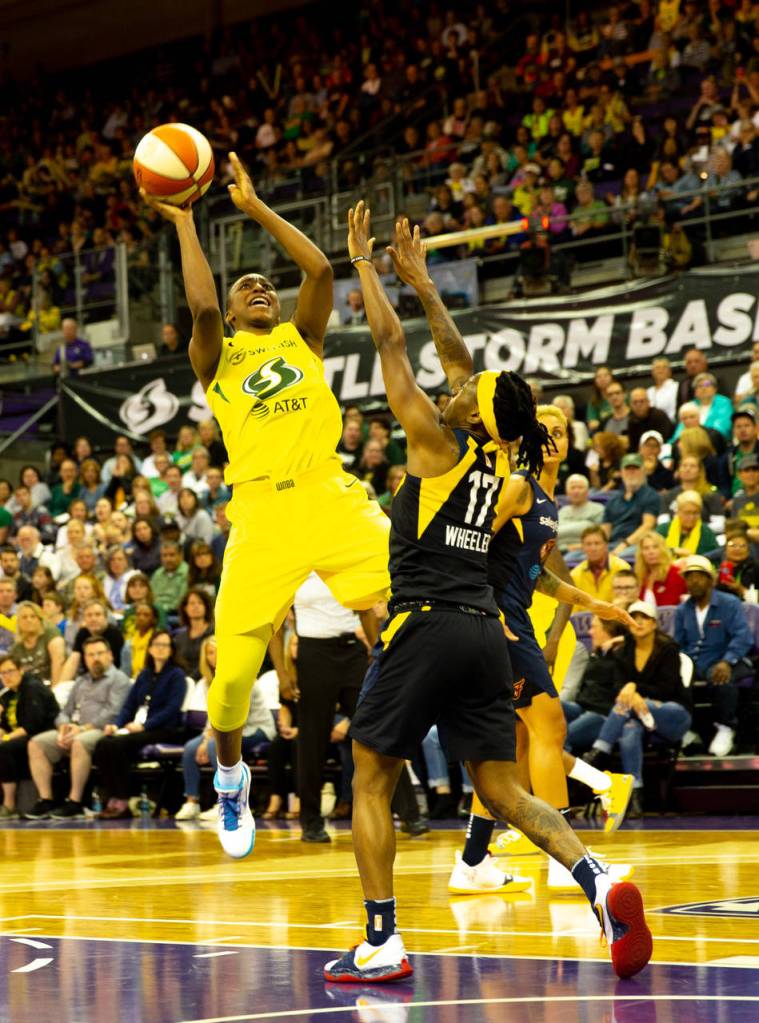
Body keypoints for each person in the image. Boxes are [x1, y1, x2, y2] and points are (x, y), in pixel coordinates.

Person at [324, 203, 651, 984]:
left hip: (427, 622)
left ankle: (381, 940)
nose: (458, 386)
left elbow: (392, 345)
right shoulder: (499, 464)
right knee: (500, 788)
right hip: (482, 633)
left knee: (369, 770)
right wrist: (426, 286)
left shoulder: (435, 442)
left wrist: (366, 267)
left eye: (468, 389)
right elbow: (456, 359)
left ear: (473, 409)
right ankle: (598, 881)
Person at [141, 153, 390, 859]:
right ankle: (228, 777)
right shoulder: (217, 357)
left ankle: (456, 738)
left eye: (262, 287)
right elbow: (197, 306)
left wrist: (253, 208)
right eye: (243, 286)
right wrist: (187, 221)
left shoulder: (300, 338)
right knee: (227, 689)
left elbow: (318, 271)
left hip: (332, 495)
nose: (257, 289)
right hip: (259, 516)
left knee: (424, 602)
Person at [587, 600, 691, 819]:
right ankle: (636, 796)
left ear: (654, 623)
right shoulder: (623, 651)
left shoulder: (668, 649)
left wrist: (635, 689)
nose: (639, 622)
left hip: (672, 715)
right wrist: (632, 694)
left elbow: (667, 689)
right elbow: (617, 687)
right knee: (630, 728)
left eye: (644, 617)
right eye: (634, 617)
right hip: (637, 716)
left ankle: (599, 751)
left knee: (624, 704)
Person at [290, 572, 368, 843]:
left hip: (352, 647)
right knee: (312, 738)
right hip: (313, 651)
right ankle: (310, 822)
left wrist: (377, 649)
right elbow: (275, 623)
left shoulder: (344, 555)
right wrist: (282, 673)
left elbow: (366, 606)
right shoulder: (295, 561)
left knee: (373, 727)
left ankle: (408, 812)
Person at [24, 637, 131, 820]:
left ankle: (75, 801)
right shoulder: (81, 681)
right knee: (36, 743)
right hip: (73, 729)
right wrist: (64, 727)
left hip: (100, 730)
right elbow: (64, 711)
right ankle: (46, 799)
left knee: (79, 743)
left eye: (99, 653)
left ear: (110, 656)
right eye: (90, 654)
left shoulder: (119, 680)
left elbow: (112, 713)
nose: (95, 658)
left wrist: (81, 730)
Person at [175, 637, 277, 821]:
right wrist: (204, 740)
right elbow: (214, 717)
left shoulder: (241, 678)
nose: (215, 656)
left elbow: (237, 718)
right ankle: (192, 801)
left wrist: (208, 742)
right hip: (224, 729)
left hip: (256, 728)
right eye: (210, 652)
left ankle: (227, 800)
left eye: (219, 651)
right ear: (205, 657)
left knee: (216, 745)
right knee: (191, 747)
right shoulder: (207, 682)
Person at [94, 630, 187, 818]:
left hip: (165, 729)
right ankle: (112, 798)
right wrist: (116, 725)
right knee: (104, 742)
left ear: (171, 650)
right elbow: (129, 705)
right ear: (150, 649)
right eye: (156, 645)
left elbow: (172, 709)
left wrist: (144, 726)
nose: (160, 649)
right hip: (140, 727)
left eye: (165, 645)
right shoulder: (144, 675)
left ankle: (122, 800)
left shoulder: (176, 675)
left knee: (118, 745)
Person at [675, 555, 754, 757]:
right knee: (670, 681)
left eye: (699, 576)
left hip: (725, 657)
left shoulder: (730, 603)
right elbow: (678, 643)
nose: (694, 581)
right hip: (694, 662)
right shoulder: (682, 610)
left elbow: (742, 636)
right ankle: (687, 731)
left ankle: (727, 727)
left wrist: (727, 661)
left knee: (722, 679)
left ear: (711, 580)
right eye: (689, 577)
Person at [0, 653, 59, 818]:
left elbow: (31, 726)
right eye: (2, 673)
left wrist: (5, 738)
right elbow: (4, 726)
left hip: (42, 734)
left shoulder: (32, 688)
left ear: (21, 670)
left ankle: (9, 804)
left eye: (10, 671)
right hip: (19, 737)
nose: (6, 676)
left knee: (4, 749)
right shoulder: (8, 695)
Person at [562, 616, 627, 753]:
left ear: (608, 630)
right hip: (581, 707)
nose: (589, 632)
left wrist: (622, 640)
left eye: (594, 627)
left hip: (602, 713)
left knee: (561, 737)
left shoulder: (624, 655)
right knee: (549, 707)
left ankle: (564, 772)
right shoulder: (597, 654)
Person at [603, 454, 661, 559]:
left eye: (635, 468)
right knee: (575, 557)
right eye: (627, 469)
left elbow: (647, 526)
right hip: (612, 545)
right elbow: (604, 531)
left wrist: (624, 545)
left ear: (643, 470)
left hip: (637, 544)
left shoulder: (651, 496)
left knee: (618, 558)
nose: (631, 472)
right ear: (621, 472)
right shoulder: (613, 500)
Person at [61, 599, 124, 681]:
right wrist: (59, 687)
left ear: (105, 617)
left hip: (110, 679)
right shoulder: (83, 633)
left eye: (97, 615)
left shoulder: (115, 634)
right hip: (87, 678)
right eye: (89, 615)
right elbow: (73, 661)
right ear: (84, 619)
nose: (93, 619)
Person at [8, 601, 66, 685]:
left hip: (57, 685)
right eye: (24, 617)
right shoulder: (16, 648)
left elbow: (59, 662)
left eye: (33, 616)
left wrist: (54, 690)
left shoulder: (51, 633)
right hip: (32, 690)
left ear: (40, 619)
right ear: (18, 622)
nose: (29, 620)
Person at [571, 525, 632, 605]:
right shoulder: (575, 575)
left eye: (597, 543)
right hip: (583, 617)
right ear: (583, 547)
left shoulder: (622, 568)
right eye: (588, 544)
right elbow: (573, 609)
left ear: (606, 545)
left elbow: (626, 602)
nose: (593, 548)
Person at [656, 491, 719, 557]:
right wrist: (673, 551)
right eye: (687, 513)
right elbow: (653, 551)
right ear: (678, 512)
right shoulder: (663, 530)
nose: (691, 517)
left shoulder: (706, 533)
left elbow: (716, 556)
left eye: (695, 513)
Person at [635, 531, 688, 606]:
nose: (651, 552)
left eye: (655, 547)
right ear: (641, 553)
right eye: (646, 548)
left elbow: (669, 607)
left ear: (663, 550)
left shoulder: (675, 573)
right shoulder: (639, 576)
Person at [557, 474, 604, 553]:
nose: (576, 491)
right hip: (558, 552)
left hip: (584, 552)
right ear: (567, 492)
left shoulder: (598, 509)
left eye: (580, 487)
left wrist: (578, 547)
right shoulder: (562, 512)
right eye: (572, 488)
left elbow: (602, 538)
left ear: (587, 491)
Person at [173, 588, 214, 676]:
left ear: (206, 607)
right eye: (192, 603)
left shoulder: (215, 632)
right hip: (186, 681)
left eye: (200, 603)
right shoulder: (179, 637)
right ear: (185, 608)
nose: (196, 606)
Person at [150, 541, 189, 618]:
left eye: (172, 555)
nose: (168, 559)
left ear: (181, 556)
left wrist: (161, 609)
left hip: (175, 614)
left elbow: (182, 601)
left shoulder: (188, 573)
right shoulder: (158, 573)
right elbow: (150, 596)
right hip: (155, 613)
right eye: (164, 555)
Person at [120, 601, 158, 678]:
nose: (141, 618)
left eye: (146, 615)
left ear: (154, 619)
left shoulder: (158, 641)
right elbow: (124, 671)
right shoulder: (128, 643)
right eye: (138, 614)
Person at [647, 357, 679, 422]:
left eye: (664, 367)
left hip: (672, 424)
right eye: (657, 368)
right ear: (652, 372)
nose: (660, 370)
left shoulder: (676, 387)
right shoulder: (648, 392)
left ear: (670, 371)